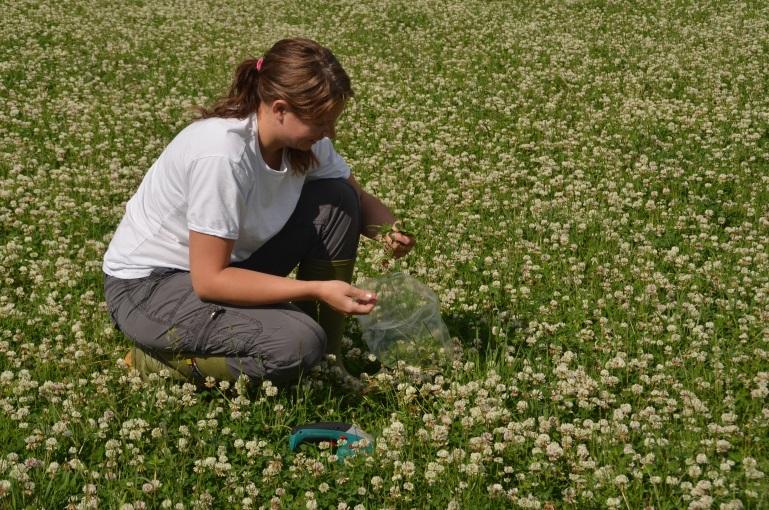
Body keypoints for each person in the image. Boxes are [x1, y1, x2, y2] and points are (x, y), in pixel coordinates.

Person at [102, 37, 415, 387]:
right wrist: (315, 289)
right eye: (322, 122)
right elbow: (209, 281)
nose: (330, 132)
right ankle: (156, 359)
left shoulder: (304, 144)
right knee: (295, 343)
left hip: (226, 266)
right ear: (280, 109)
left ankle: (329, 362)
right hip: (152, 288)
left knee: (338, 199)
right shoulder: (222, 154)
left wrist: (389, 230)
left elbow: (357, 197)